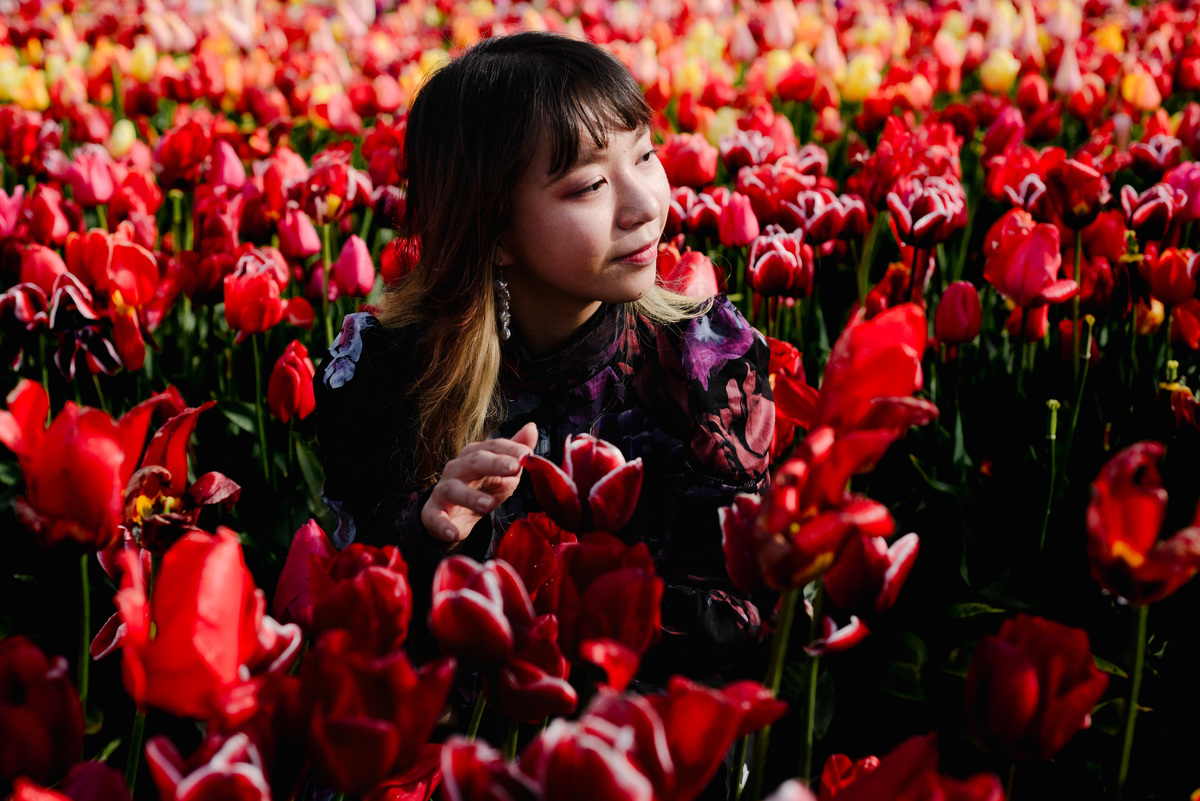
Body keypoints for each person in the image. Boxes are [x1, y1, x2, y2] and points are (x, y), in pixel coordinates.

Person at [315, 31, 774, 683]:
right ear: (492, 230)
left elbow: (741, 622)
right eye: (589, 185)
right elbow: (350, 627)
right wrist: (435, 537)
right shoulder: (387, 372)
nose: (646, 206)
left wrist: (563, 599)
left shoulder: (708, 364)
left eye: (645, 155)